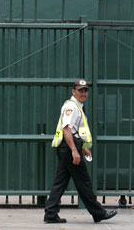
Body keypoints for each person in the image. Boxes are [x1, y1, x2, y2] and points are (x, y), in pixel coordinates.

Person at [44, 79, 117, 224]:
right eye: (80, 90)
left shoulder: (77, 106)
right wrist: (74, 151)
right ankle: (98, 212)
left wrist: (82, 148)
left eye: (85, 90)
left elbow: (74, 130)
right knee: (83, 182)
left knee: (61, 181)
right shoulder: (71, 107)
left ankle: (50, 213)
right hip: (68, 147)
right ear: (73, 91)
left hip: (69, 147)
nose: (83, 93)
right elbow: (67, 129)